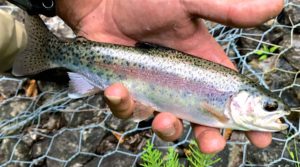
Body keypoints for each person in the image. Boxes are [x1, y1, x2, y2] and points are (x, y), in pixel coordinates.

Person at [0, 0, 284, 154]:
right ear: (240, 99)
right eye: (269, 106)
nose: (273, 112)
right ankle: (57, 60)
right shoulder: (224, 105)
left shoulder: (229, 102)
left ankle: (59, 63)